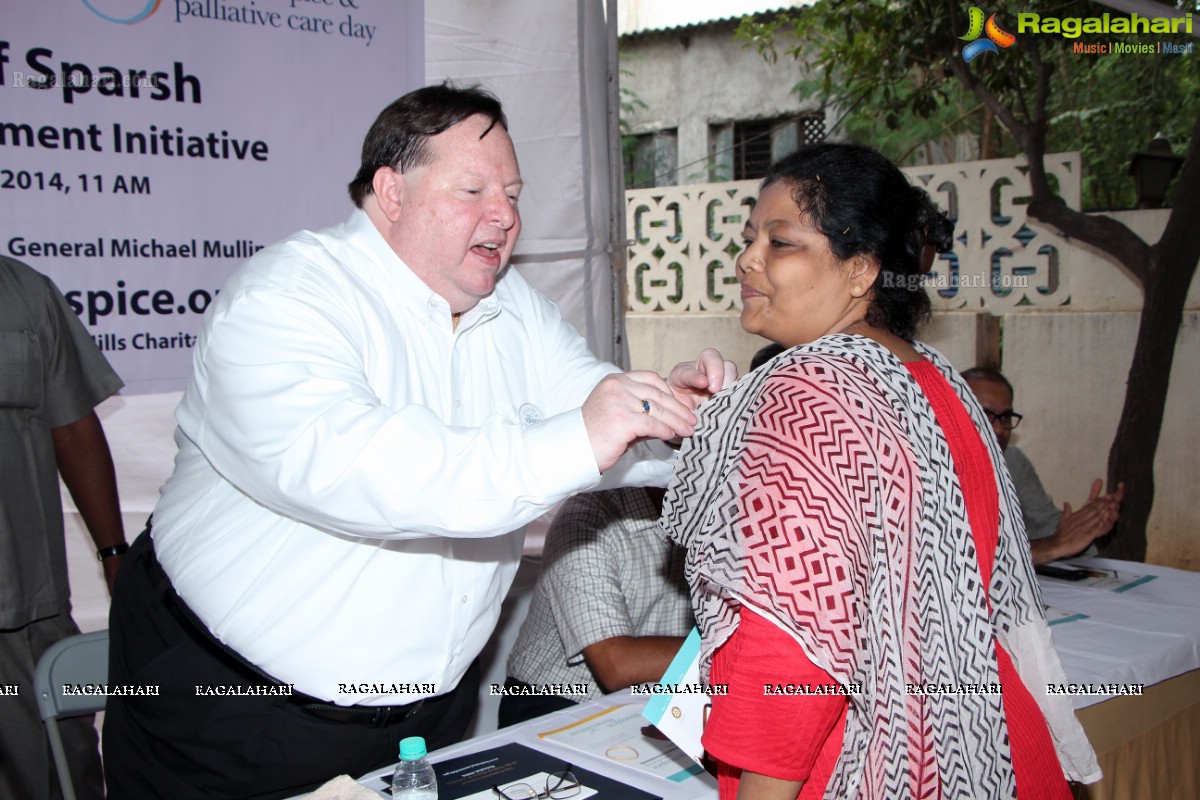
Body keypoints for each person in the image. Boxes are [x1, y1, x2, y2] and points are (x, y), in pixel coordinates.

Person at [103, 82, 734, 800]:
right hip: (228, 710)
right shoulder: (284, 299)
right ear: (391, 191)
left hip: (424, 720)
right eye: (474, 190)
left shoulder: (514, 311)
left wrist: (672, 416)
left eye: (515, 194)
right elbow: (364, 469)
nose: (504, 216)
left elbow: (594, 419)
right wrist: (588, 431)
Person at [660, 143, 1100, 800]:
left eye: (780, 242)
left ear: (862, 270)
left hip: (869, 761)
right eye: (750, 238)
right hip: (991, 745)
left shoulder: (805, 392)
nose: (746, 259)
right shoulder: (938, 381)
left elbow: (791, 651)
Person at [1, 256, 126, 800]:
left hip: (30, 609)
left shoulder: (23, 291)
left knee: (64, 775)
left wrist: (115, 554)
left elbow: (73, 429)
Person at [499, 486, 692, 727]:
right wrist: (733, 653)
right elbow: (617, 664)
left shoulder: (712, 515)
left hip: (662, 695)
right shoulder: (586, 519)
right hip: (559, 698)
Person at [962, 367, 1124, 566]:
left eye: (1005, 417)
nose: (999, 428)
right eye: (986, 414)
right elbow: (962, 558)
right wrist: (1055, 544)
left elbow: (1044, 526)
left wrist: (1086, 527)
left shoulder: (1011, 461)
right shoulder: (925, 469)